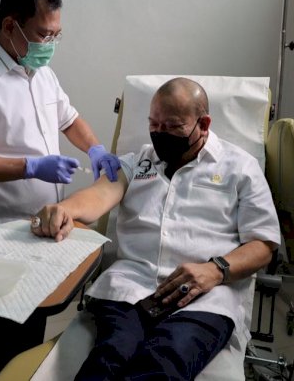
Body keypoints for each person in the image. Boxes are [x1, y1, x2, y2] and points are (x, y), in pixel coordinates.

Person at [32, 77, 280, 380]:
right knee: (108, 358)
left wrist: (216, 270)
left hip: (204, 297)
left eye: (173, 126)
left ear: (203, 124)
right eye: (154, 124)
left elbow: (263, 245)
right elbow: (98, 196)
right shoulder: (139, 162)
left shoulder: (240, 168)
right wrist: (65, 210)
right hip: (130, 289)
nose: (160, 134)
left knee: (164, 363)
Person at [0, 0, 120, 381]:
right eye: (43, 34)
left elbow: (69, 119)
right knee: (8, 330)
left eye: (56, 35)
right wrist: (30, 166)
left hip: (42, 226)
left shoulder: (40, 73)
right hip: (2, 234)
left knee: (30, 323)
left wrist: (95, 148)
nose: (50, 44)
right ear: (10, 25)